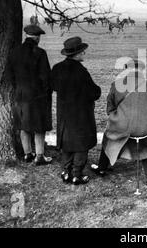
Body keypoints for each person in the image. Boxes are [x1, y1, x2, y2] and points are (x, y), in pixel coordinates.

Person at [91, 59, 147, 186]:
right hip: (145, 127)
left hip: (122, 126)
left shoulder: (116, 85)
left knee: (109, 137)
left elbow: (110, 108)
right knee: (146, 144)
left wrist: (117, 119)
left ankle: (101, 168)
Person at [51, 37, 101, 185]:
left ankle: (65, 172)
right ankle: (76, 175)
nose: (84, 54)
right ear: (77, 54)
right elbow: (94, 93)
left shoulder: (57, 68)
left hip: (64, 114)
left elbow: (53, 86)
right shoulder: (81, 72)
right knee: (81, 144)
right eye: (82, 52)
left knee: (66, 142)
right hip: (81, 114)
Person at [6, 24, 52, 165]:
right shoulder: (40, 53)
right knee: (39, 126)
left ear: (26, 36)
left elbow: (9, 75)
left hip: (20, 95)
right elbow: (46, 77)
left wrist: (18, 88)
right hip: (38, 96)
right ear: (37, 38)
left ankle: (27, 154)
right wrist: (47, 91)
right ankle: (39, 156)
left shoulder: (14, 52)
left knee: (23, 125)